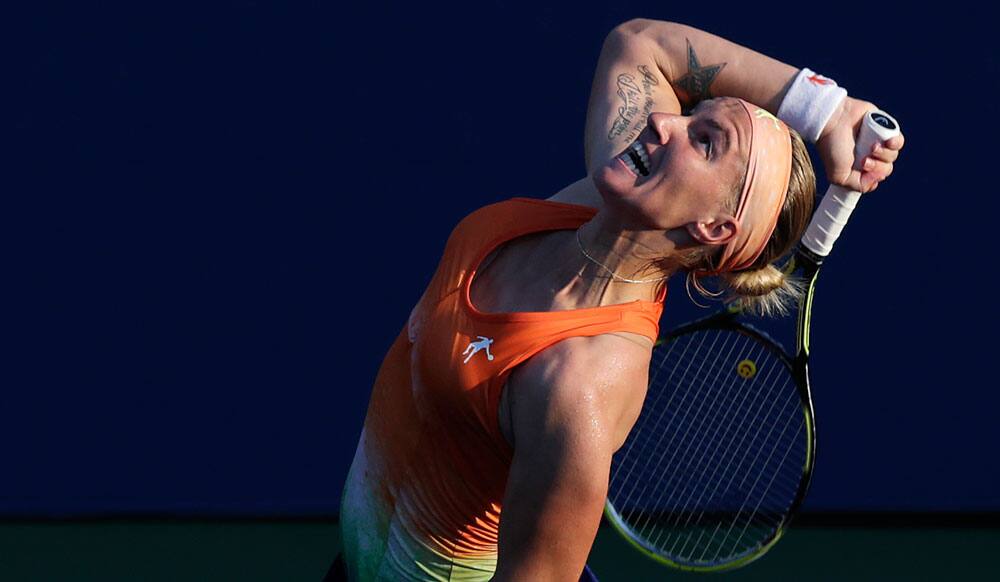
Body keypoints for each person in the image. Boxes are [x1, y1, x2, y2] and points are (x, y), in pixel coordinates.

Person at [331, 18, 904, 582]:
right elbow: (640, 44)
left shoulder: (576, 387)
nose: (662, 119)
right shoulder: (600, 203)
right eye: (692, 116)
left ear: (712, 228)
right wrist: (825, 110)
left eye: (705, 142)